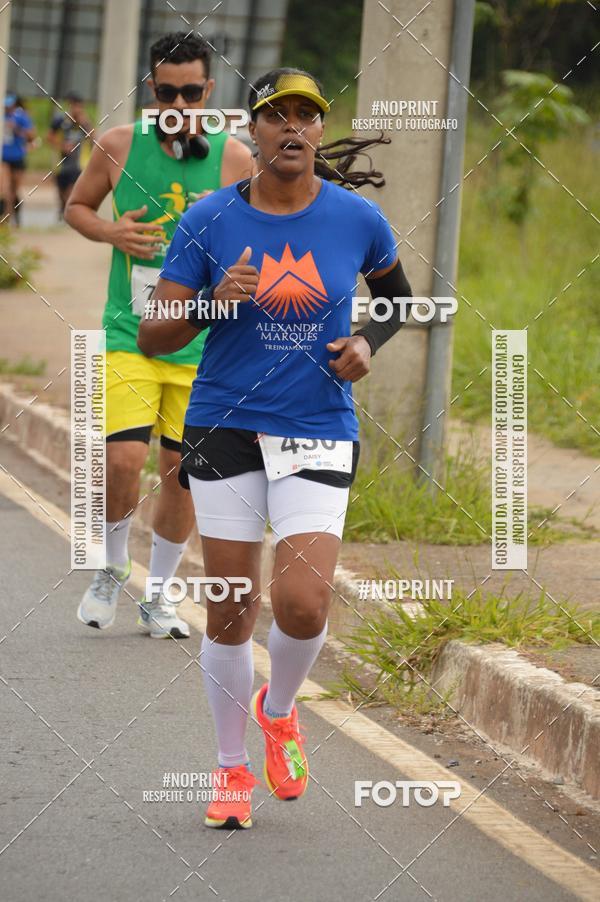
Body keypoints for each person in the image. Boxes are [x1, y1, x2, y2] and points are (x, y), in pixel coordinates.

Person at [138, 67, 412, 828]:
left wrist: (367, 341)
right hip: (224, 425)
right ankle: (230, 773)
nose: (293, 127)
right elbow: (156, 333)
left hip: (317, 425)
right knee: (230, 610)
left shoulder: (357, 219)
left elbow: (396, 301)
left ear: (319, 132)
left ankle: (280, 710)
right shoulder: (207, 219)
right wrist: (208, 301)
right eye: (276, 115)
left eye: (307, 116)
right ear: (251, 131)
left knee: (303, 602)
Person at [65, 32, 252, 639]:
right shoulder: (119, 145)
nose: (179, 102)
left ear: (209, 91)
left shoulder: (233, 158)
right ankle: (112, 568)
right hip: (134, 332)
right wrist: (111, 233)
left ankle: (161, 595)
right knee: (124, 458)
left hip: (205, 343)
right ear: (152, 90)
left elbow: (264, 233)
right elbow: (76, 207)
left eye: (191, 92)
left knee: (183, 472)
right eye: (167, 91)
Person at [47, 91, 93, 218]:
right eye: (74, 106)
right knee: (61, 193)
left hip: (79, 164)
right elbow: (49, 137)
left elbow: (94, 139)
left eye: (79, 106)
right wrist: (62, 145)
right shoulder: (60, 121)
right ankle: (63, 211)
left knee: (71, 192)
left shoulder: (85, 123)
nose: (76, 109)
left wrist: (85, 123)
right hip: (61, 164)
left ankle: (70, 217)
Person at [1, 94, 35, 224]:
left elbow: (31, 136)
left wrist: (16, 128)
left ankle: (16, 215)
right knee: (5, 188)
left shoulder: (21, 117)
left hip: (18, 157)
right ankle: (6, 219)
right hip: (4, 158)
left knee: (14, 191)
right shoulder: (2, 116)